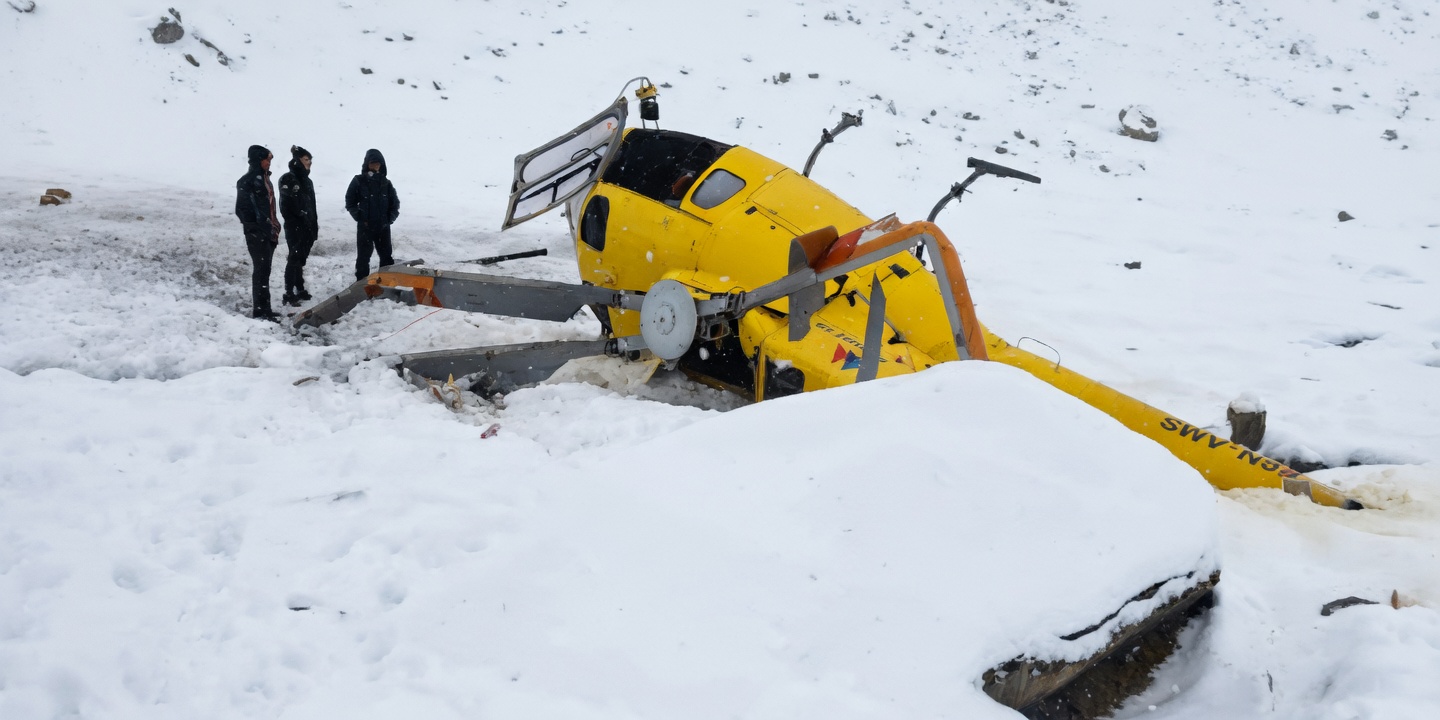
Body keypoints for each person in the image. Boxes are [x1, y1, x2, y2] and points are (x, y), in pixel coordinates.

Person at [234, 144, 281, 321]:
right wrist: (256, 228)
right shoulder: (247, 181)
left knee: (265, 270)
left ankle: (265, 308)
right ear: (257, 160)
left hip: (269, 232)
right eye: (266, 159)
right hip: (258, 234)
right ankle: (260, 310)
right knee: (260, 271)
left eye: (269, 159)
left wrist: (274, 226)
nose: (269, 162)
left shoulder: (265, 180)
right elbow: (242, 209)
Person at [344, 148, 400, 280]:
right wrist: (360, 217)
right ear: (367, 164)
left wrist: (389, 219)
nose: (375, 165)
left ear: (382, 164)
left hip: (383, 227)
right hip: (365, 227)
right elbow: (350, 201)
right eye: (372, 163)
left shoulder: (386, 184)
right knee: (363, 258)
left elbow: (395, 204)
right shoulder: (359, 181)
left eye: (378, 163)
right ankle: (361, 285)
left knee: (386, 256)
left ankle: (385, 283)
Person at [278, 145, 318, 306]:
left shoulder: (307, 181)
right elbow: (285, 206)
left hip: (308, 226)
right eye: (306, 159)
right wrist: (298, 218)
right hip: (295, 226)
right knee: (294, 257)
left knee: (301, 258)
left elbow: (312, 206)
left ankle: (299, 288)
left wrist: (314, 225)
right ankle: (288, 292)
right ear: (298, 160)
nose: (309, 163)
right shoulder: (288, 178)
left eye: (310, 160)